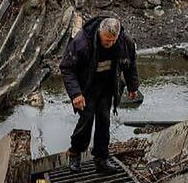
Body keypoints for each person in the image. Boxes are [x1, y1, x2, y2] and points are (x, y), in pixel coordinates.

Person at [59, 16, 140, 174]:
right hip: (86, 87)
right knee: (86, 121)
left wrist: (132, 86)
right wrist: (76, 94)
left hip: (107, 86)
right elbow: (67, 68)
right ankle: (75, 153)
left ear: (117, 36)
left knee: (104, 121)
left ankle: (101, 158)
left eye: (112, 41)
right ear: (99, 33)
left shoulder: (125, 42)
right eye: (106, 40)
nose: (109, 44)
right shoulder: (82, 42)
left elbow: (130, 64)